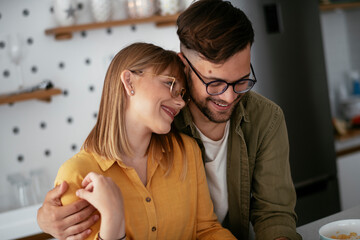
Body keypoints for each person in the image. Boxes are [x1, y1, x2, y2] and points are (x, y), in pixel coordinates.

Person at [37, 1, 302, 239]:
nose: (231, 96)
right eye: (215, 83)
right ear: (185, 65)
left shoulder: (264, 119)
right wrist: (43, 219)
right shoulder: (160, 121)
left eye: (241, 80)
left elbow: (272, 214)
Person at [48, 42, 236, 240]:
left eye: (182, 93)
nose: (180, 102)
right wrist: (113, 220)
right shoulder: (76, 175)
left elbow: (206, 230)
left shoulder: (187, 152)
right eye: (169, 84)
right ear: (129, 82)